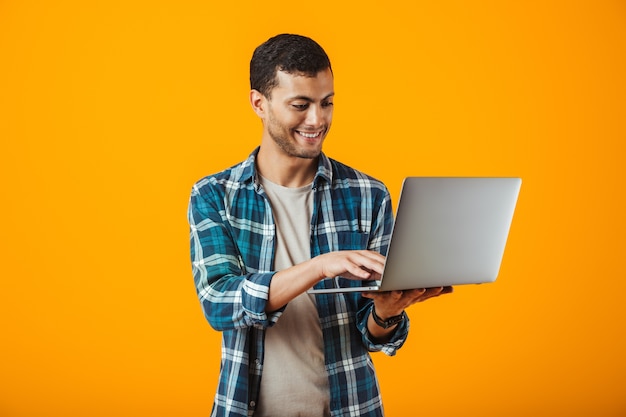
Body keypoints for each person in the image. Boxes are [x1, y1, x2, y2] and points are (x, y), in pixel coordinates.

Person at [188, 33, 452, 417]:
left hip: (352, 407)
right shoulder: (215, 195)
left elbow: (373, 334)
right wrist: (320, 266)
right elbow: (219, 303)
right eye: (301, 105)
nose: (317, 119)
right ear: (258, 103)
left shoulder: (369, 195)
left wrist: (387, 311)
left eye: (326, 103)